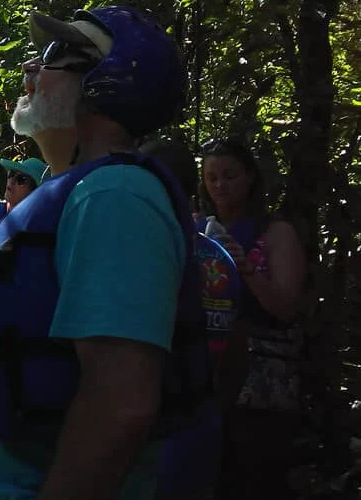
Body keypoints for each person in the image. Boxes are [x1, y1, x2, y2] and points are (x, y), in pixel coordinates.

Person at [0, 6, 202, 499]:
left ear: (102, 83)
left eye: (52, 56)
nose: (31, 70)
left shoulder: (114, 196)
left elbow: (120, 404)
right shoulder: (70, 191)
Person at [199, 137, 306, 500]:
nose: (220, 186)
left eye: (229, 176)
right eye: (212, 177)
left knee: (255, 479)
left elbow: (286, 307)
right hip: (204, 374)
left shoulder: (276, 233)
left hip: (262, 383)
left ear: (249, 178)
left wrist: (243, 266)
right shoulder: (199, 228)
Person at [143, 139, 246, 500]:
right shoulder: (218, 254)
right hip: (206, 418)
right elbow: (236, 347)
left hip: (156, 427)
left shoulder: (149, 250)